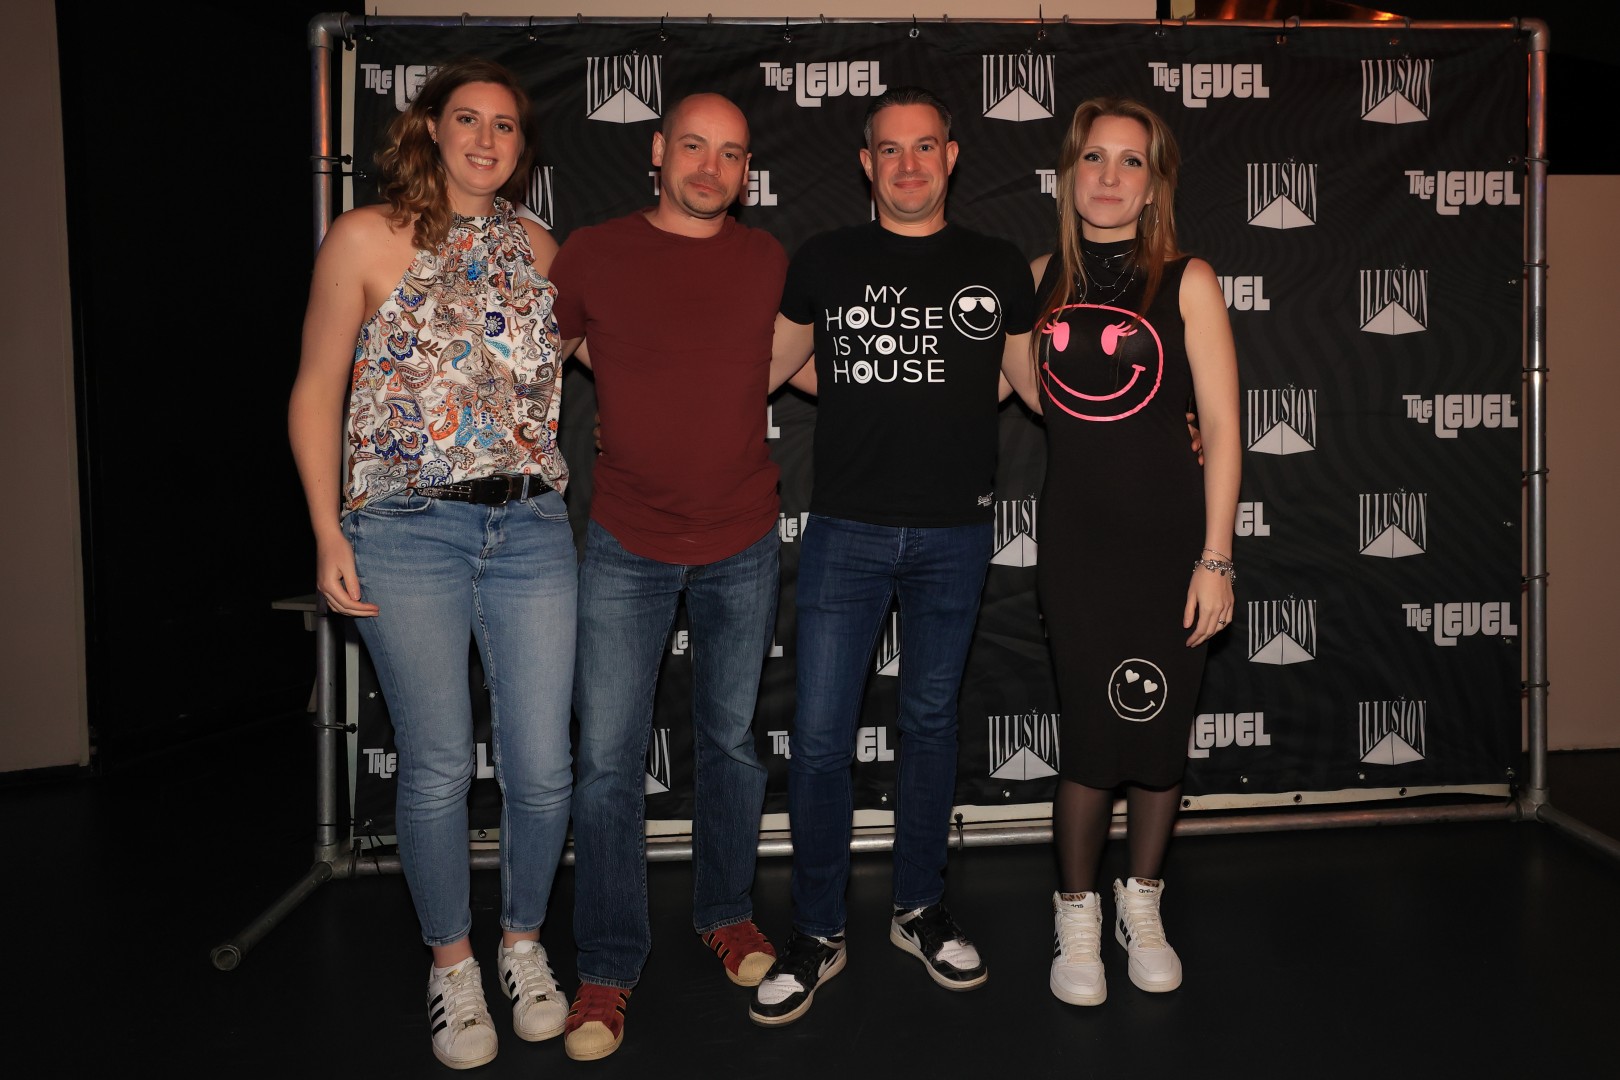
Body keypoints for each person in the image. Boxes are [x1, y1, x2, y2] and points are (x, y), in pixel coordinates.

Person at [287, 59, 574, 1069]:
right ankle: (452, 964)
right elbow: (317, 389)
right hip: (405, 530)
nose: (486, 139)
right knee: (441, 762)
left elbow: (614, 359)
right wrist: (327, 531)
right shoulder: (364, 236)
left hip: (532, 526)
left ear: (521, 147)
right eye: (467, 119)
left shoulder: (541, 248)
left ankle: (523, 945)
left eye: (505, 125)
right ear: (431, 129)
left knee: (544, 768)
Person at [749, 86, 1036, 1026]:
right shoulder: (826, 259)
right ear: (866, 163)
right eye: (889, 150)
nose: (908, 165)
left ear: (951, 156)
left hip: (956, 532)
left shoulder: (996, 264)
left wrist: (1156, 426)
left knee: (930, 725)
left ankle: (919, 908)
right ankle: (817, 931)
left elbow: (1038, 388)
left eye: (925, 147)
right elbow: (764, 366)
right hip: (847, 532)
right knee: (821, 740)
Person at [547, 92, 795, 1061]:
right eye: (693, 146)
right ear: (657, 150)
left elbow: (798, 362)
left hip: (743, 538)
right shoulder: (593, 252)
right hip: (626, 541)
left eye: (730, 154)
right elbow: (547, 355)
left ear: (746, 169)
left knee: (730, 743)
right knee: (608, 762)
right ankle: (607, 967)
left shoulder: (768, 260)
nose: (709, 168)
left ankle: (727, 915)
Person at [1023, 97, 1239, 1007]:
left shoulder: (1188, 279)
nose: (1110, 177)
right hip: (1077, 545)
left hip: (1170, 543)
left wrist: (1216, 558)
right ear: (1069, 173)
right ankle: (1076, 913)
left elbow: (1222, 427)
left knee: (1159, 730)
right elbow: (1028, 394)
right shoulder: (1037, 281)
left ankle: (1140, 903)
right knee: (1089, 734)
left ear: (1155, 187)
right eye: (1094, 158)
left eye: (1131, 162)